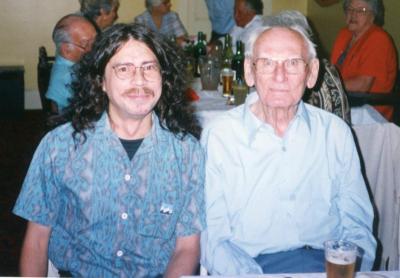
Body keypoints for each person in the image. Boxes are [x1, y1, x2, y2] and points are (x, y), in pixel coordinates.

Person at [14, 23, 205, 277]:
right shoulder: (59, 146)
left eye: (149, 68)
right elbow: (37, 241)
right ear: (101, 81)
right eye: (124, 69)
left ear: (164, 78)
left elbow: (187, 247)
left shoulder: (187, 153)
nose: (140, 80)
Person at [200, 10, 376, 275]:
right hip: (251, 266)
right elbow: (212, 236)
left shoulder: (335, 133)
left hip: (325, 266)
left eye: (293, 63)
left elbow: (358, 226)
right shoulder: (220, 137)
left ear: (311, 72)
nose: (280, 76)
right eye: (268, 63)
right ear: (249, 71)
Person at [331, 0, 397, 121]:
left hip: (371, 112)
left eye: (361, 10)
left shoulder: (379, 39)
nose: (353, 14)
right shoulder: (344, 34)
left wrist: (329, 86)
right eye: (350, 9)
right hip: (346, 101)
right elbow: (333, 71)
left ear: (373, 16)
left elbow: (362, 85)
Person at [45, 14, 97, 114]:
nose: (93, 48)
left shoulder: (73, 63)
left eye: (95, 40)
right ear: (66, 49)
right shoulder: (66, 78)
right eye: (86, 44)